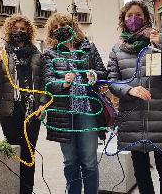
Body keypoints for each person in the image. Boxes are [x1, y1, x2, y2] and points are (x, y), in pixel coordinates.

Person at [106, 0, 162, 194]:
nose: (134, 18)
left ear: (146, 17)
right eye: (129, 15)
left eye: (138, 14)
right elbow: (112, 81)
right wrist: (129, 90)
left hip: (161, 117)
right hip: (131, 118)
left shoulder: (161, 40)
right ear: (123, 20)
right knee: (141, 172)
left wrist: (160, 48)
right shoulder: (117, 49)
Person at [41, 12, 107, 194]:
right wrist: (63, 83)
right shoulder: (49, 54)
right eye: (54, 28)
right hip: (63, 114)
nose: (59, 30)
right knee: (70, 161)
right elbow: (47, 82)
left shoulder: (88, 47)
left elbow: (103, 73)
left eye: (62, 25)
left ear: (72, 26)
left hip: (88, 111)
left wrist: (92, 74)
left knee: (89, 161)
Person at [0, 14, 44, 194]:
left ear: (29, 32)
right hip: (9, 109)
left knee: (28, 154)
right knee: (13, 152)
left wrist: (43, 105)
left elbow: (43, 82)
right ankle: (13, 189)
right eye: (15, 28)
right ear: (9, 30)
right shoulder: (2, 51)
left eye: (23, 29)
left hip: (31, 111)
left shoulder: (36, 54)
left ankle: (27, 190)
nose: (18, 32)